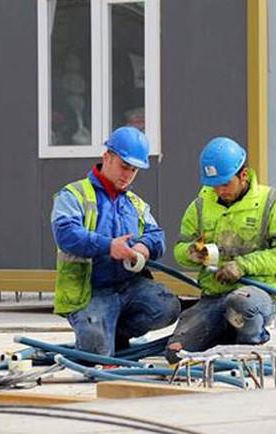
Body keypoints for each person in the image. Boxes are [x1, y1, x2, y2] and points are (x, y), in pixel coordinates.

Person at [165, 137, 276, 363]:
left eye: (225, 183)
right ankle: (226, 334)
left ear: (243, 175)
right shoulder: (199, 206)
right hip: (214, 297)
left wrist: (243, 266)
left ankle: (250, 349)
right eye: (214, 184)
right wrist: (191, 253)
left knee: (241, 303)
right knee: (177, 353)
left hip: (257, 294)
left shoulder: (273, 202)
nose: (220, 190)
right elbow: (179, 250)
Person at [51, 126, 181, 356]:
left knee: (168, 306)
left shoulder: (136, 204)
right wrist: (108, 246)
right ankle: (101, 336)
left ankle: (115, 333)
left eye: (134, 170)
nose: (128, 175)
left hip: (129, 287)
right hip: (91, 290)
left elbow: (157, 236)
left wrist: (144, 246)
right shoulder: (74, 194)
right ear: (106, 157)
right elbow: (66, 233)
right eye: (124, 166)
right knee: (95, 352)